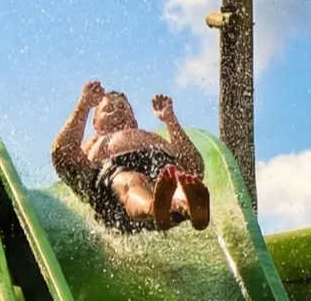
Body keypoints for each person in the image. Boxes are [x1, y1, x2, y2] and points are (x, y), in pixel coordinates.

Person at [53, 81, 212, 232]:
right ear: (95, 123)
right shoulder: (94, 142)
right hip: (115, 179)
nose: (116, 111)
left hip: (160, 165)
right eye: (108, 109)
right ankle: (155, 207)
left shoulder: (153, 138)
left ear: (134, 120)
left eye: (122, 107)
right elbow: (63, 155)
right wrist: (84, 105)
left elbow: (194, 166)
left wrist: (171, 121)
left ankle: (185, 206)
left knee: (175, 180)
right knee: (133, 181)